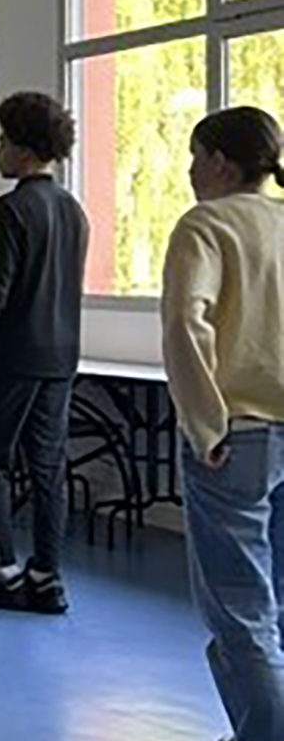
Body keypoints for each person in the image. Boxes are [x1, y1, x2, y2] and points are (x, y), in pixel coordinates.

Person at [161, 106, 284, 741]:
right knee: (280, 604)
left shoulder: (205, 225)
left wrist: (204, 425)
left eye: (194, 156)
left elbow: (187, 320)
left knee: (241, 609)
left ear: (220, 162)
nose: (188, 171)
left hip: (238, 438)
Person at [0, 92, 88, 614]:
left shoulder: (9, 210)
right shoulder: (74, 212)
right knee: (49, 465)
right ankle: (47, 574)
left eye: (4, 141)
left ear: (26, 150)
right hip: (62, 356)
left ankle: (1, 569)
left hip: (13, 357)